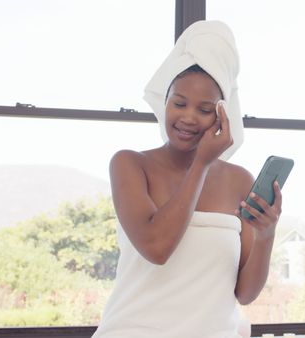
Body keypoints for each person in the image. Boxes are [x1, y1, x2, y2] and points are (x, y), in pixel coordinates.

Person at [92, 21, 280, 338]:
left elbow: (245, 294)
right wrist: (202, 164)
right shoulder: (130, 164)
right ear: (164, 102)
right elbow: (157, 248)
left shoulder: (239, 181)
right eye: (179, 103)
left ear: (222, 115)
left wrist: (266, 235)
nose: (188, 117)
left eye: (204, 109)